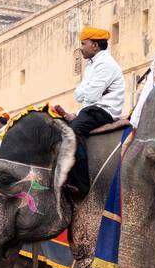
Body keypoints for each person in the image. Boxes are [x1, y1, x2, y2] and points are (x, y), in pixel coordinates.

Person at [52, 26, 124, 197]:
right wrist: (88, 94)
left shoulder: (105, 64)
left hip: (104, 111)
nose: (81, 48)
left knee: (73, 131)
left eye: (84, 44)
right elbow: (79, 95)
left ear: (95, 46)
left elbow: (90, 95)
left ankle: (82, 184)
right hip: (90, 109)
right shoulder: (92, 65)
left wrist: (90, 93)